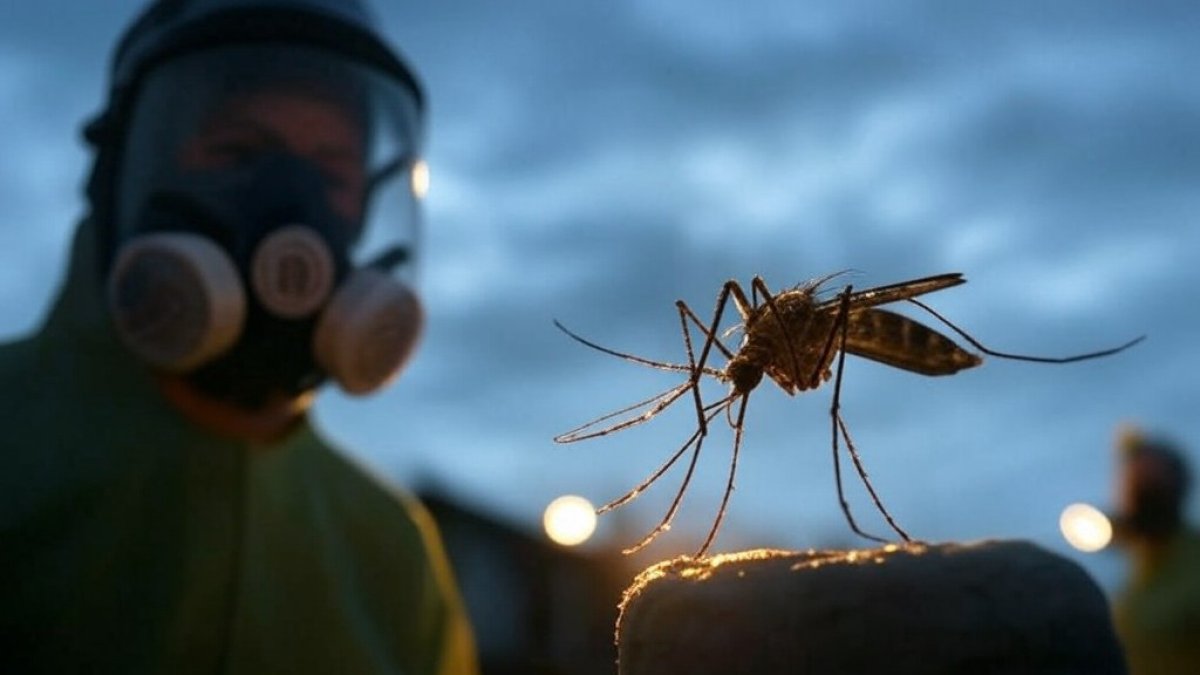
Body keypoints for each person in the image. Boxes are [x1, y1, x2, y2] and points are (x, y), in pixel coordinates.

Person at [0, 1, 479, 672]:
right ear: (123, 173)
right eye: (239, 150)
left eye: (333, 170)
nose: (295, 200)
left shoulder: (391, 547)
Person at [1110, 424, 1200, 675]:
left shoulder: (1191, 562)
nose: (1139, 497)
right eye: (1133, 486)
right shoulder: (1138, 560)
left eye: (1151, 485)